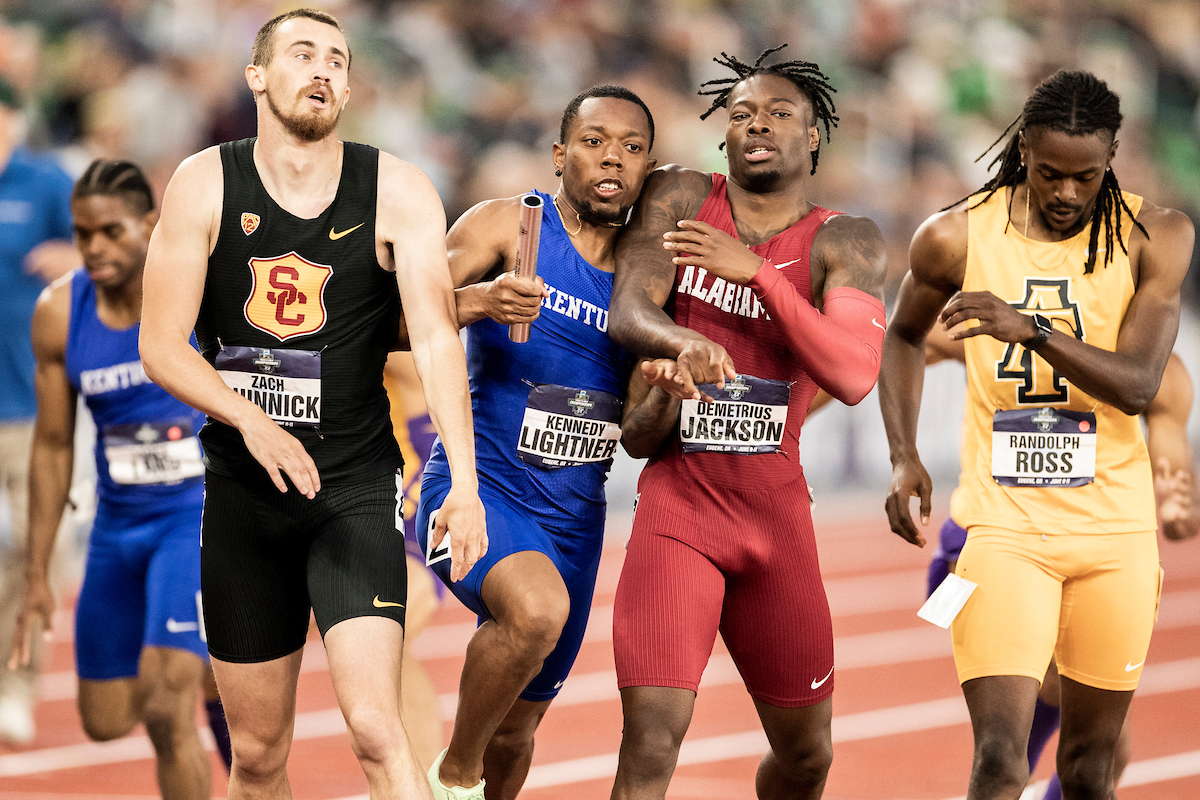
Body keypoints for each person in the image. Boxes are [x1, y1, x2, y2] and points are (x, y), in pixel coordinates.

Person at [137, 9, 486, 800]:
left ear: (351, 85)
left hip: (353, 490)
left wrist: (463, 484)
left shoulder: (397, 188)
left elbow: (434, 340)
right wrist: (251, 422)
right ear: (258, 76)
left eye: (336, 58)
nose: (322, 69)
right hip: (242, 498)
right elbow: (160, 345)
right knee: (257, 754)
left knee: (375, 728)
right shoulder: (203, 182)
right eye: (302, 54)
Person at [880, 70, 1195, 800]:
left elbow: (1139, 384)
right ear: (1022, 148)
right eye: (1049, 172)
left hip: (1115, 535)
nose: (1065, 193)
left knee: (1090, 767)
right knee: (1001, 757)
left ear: (1112, 156)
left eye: (1086, 176)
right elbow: (902, 335)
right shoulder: (956, 234)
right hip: (1004, 526)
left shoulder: (1158, 237)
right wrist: (903, 456)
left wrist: (1032, 329)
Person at [607, 46, 887, 800]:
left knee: (806, 759)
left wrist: (760, 274)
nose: (755, 123)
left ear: (815, 135)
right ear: (722, 133)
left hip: (775, 522)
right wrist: (680, 345)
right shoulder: (681, 195)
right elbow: (629, 308)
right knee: (650, 739)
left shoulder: (844, 239)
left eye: (778, 112)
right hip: (681, 507)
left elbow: (856, 374)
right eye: (740, 113)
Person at [415, 84, 657, 800]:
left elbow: (642, 438)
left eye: (632, 147)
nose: (611, 157)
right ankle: (450, 777)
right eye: (593, 141)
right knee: (536, 613)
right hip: (478, 491)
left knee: (518, 733)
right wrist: (476, 302)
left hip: (576, 521)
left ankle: (479, 777)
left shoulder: (649, 284)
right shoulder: (505, 227)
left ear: (648, 168)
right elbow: (396, 324)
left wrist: (665, 387)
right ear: (560, 155)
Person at [8, 159, 229, 796]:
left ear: (151, 225)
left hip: (195, 516)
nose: (95, 248)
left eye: (111, 231)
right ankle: (202, 662)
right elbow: (51, 446)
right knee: (104, 722)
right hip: (116, 527)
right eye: (82, 235)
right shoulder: (58, 313)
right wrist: (37, 572)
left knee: (166, 707)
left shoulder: (199, 292)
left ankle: (197, 665)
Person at [922, 330, 1198, 800]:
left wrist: (1178, 503)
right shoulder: (1000, 325)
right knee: (1019, 752)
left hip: (1087, 555)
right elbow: (891, 342)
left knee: (1099, 758)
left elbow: (1174, 467)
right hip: (989, 544)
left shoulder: (1158, 371)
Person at [0, 75, 77, 745]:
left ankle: (16, 683)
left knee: (35, 551)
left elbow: (112, 255)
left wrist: (73, 253)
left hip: (30, 405)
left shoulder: (46, 183)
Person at [382, 349, 445, 771]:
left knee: (389, 631)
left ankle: (424, 780)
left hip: (413, 518)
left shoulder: (401, 355)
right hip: (345, 508)